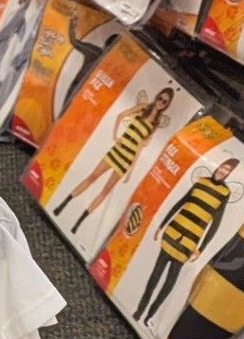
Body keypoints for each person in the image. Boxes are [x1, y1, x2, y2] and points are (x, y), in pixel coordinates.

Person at [53, 85, 176, 236]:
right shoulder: (142, 108)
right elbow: (121, 116)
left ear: (166, 106)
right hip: (117, 151)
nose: (160, 102)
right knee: (92, 177)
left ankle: (79, 222)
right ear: (156, 96)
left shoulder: (154, 125)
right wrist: (115, 136)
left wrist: (131, 170)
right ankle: (63, 203)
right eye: (160, 98)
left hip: (126, 159)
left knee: (105, 190)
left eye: (164, 102)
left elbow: (140, 147)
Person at [132, 158, 241, 326]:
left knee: (169, 282)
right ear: (218, 165)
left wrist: (201, 248)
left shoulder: (224, 193)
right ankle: (139, 311)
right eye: (223, 167)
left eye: (228, 170)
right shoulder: (201, 181)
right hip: (173, 232)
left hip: (189, 242)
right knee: (154, 276)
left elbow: (216, 223)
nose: (223, 171)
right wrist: (162, 226)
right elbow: (180, 203)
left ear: (230, 174)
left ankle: (149, 316)